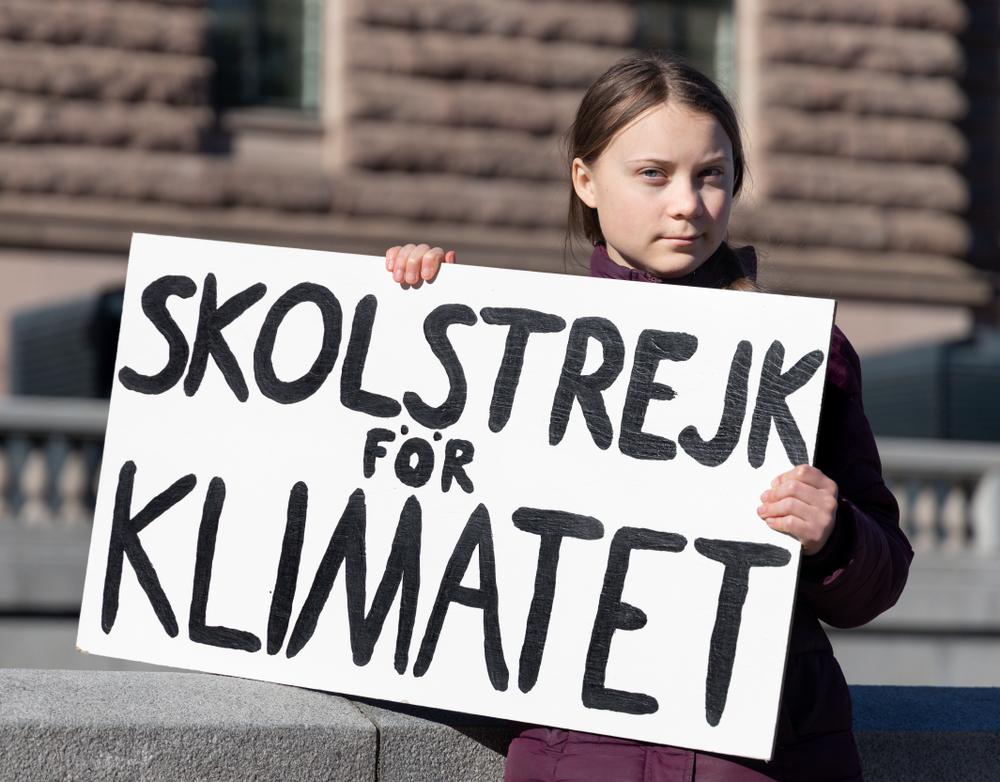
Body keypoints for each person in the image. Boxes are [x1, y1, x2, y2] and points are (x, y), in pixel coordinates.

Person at [383, 50, 912, 782]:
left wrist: (835, 535)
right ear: (585, 180)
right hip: (578, 752)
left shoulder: (805, 354)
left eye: (712, 175)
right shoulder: (518, 345)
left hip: (766, 757)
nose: (688, 204)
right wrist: (408, 304)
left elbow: (880, 577)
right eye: (654, 174)